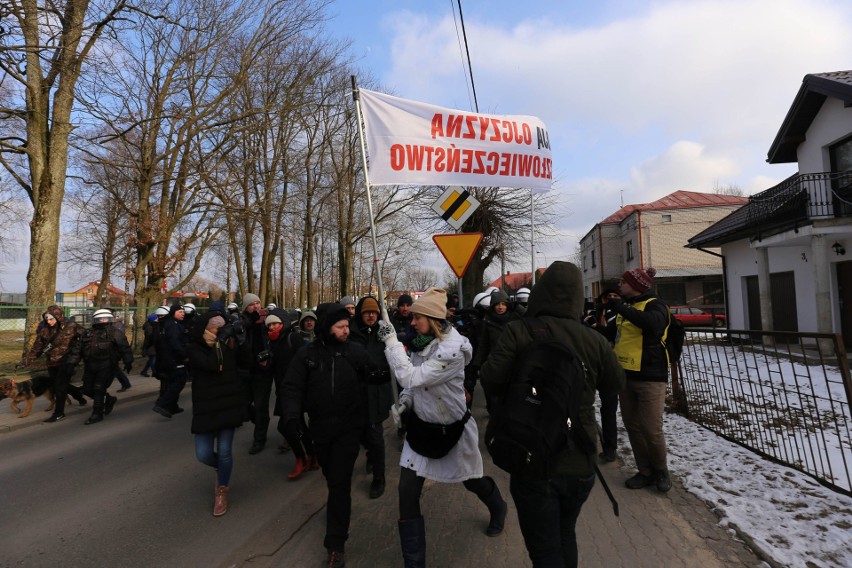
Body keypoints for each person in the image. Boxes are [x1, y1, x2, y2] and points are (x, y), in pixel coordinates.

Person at [480, 262, 625, 568]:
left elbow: (490, 378)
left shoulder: (518, 331)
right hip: (580, 457)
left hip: (531, 455)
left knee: (544, 551)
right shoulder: (594, 340)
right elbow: (615, 384)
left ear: (539, 295)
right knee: (565, 533)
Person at [376, 287, 508, 568]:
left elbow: (412, 377)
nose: (412, 324)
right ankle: (414, 563)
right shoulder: (420, 342)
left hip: (453, 431)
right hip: (422, 431)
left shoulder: (452, 352)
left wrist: (391, 344)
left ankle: (498, 506)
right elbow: (414, 388)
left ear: (434, 320)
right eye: (411, 318)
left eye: (417, 318)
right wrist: (405, 403)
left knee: (472, 481)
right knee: (407, 491)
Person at [281, 303, 373, 568]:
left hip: (349, 428)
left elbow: (374, 376)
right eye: (341, 326)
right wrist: (291, 419)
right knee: (331, 476)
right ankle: (337, 511)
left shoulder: (355, 352)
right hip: (320, 429)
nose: (347, 330)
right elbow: (291, 388)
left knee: (339, 484)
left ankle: (336, 545)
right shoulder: (306, 355)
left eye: (347, 326)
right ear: (327, 328)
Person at [609, 267, 673, 493]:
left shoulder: (656, 305)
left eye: (623, 282)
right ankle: (645, 472)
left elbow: (652, 324)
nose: (620, 286)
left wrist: (621, 308)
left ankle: (661, 470)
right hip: (625, 376)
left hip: (650, 377)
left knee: (650, 428)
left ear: (635, 285)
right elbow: (613, 335)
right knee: (633, 427)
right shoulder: (625, 309)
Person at [186, 312, 249, 517]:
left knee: (224, 451)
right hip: (206, 407)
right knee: (202, 454)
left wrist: (241, 340)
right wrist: (221, 342)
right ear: (205, 328)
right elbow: (210, 365)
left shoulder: (228, 344)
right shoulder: (196, 347)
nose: (220, 332)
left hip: (228, 404)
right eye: (216, 328)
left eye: (223, 328)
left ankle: (222, 489)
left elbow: (245, 362)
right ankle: (222, 469)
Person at [350, 296, 394, 499]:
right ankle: (369, 455)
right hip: (357, 393)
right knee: (361, 433)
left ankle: (379, 477)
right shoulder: (351, 332)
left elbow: (394, 352)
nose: (370, 316)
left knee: (376, 437)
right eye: (367, 312)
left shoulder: (384, 331)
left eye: (374, 312)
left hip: (377, 392)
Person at [21, 305, 87, 422]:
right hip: (52, 362)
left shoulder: (71, 326)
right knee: (59, 384)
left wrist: (77, 352)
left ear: (58, 317)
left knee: (59, 386)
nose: (49, 321)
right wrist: (25, 361)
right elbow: (37, 348)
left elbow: (86, 337)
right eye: (47, 319)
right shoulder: (45, 331)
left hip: (67, 361)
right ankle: (79, 395)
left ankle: (59, 413)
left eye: (51, 319)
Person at [583, 288, 622, 462]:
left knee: (609, 407)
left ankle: (610, 447)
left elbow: (611, 333)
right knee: (584, 403)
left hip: (610, 362)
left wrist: (595, 326)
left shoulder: (620, 313)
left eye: (615, 296)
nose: (611, 299)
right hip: (592, 360)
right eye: (609, 296)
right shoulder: (596, 310)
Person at [79, 308, 134, 425]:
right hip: (90, 365)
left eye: (105, 318)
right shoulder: (88, 332)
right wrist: (71, 363)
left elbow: (125, 348)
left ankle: (97, 414)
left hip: (107, 365)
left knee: (98, 388)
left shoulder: (115, 333)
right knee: (87, 389)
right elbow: (77, 349)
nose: (103, 321)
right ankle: (108, 399)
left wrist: (128, 362)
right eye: (100, 319)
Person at [472, 290, 522, 409]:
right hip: (494, 364)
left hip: (512, 363)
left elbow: (528, 314)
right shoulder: (488, 321)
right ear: (493, 305)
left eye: (504, 304)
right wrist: (477, 364)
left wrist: (517, 306)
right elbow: (484, 344)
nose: (500, 307)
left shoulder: (515, 319)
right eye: (497, 304)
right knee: (494, 400)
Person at [237, 293, 273, 455]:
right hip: (245, 370)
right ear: (246, 307)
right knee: (242, 403)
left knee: (260, 406)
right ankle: (258, 420)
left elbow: (273, 340)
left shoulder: (266, 321)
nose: (256, 306)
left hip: (262, 371)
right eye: (252, 304)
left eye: (258, 303)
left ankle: (259, 439)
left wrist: (268, 356)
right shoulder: (242, 321)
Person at [152, 303, 189, 418]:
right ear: (173, 313)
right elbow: (175, 343)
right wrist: (184, 355)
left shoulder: (171, 323)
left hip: (168, 358)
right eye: (179, 312)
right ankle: (162, 404)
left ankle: (173, 406)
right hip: (174, 358)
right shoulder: (173, 325)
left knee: (173, 381)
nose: (182, 314)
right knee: (179, 381)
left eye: (183, 312)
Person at [141, 307, 168, 377]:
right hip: (151, 345)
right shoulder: (150, 327)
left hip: (152, 345)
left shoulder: (152, 325)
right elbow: (151, 336)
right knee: (152, 359)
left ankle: (144, 371)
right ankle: (154, 372)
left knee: (151, 359)